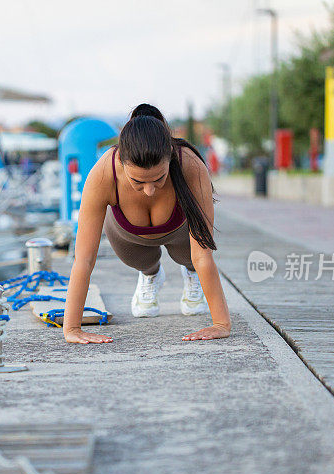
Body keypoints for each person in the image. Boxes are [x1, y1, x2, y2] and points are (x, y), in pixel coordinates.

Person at [63, 104, 231, 344]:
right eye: (138, 182)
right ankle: (151, 275)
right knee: (139, 260)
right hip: (129, 237)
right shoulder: (103, 173)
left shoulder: (190, 166)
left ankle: (191, 275)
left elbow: (203, 254)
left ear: (170, 159)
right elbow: (84, 259)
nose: (150, 191)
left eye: (159, 178)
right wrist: (72, 328)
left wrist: (221, 324)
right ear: (121, 160)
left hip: (181, 232)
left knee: (193, 259)